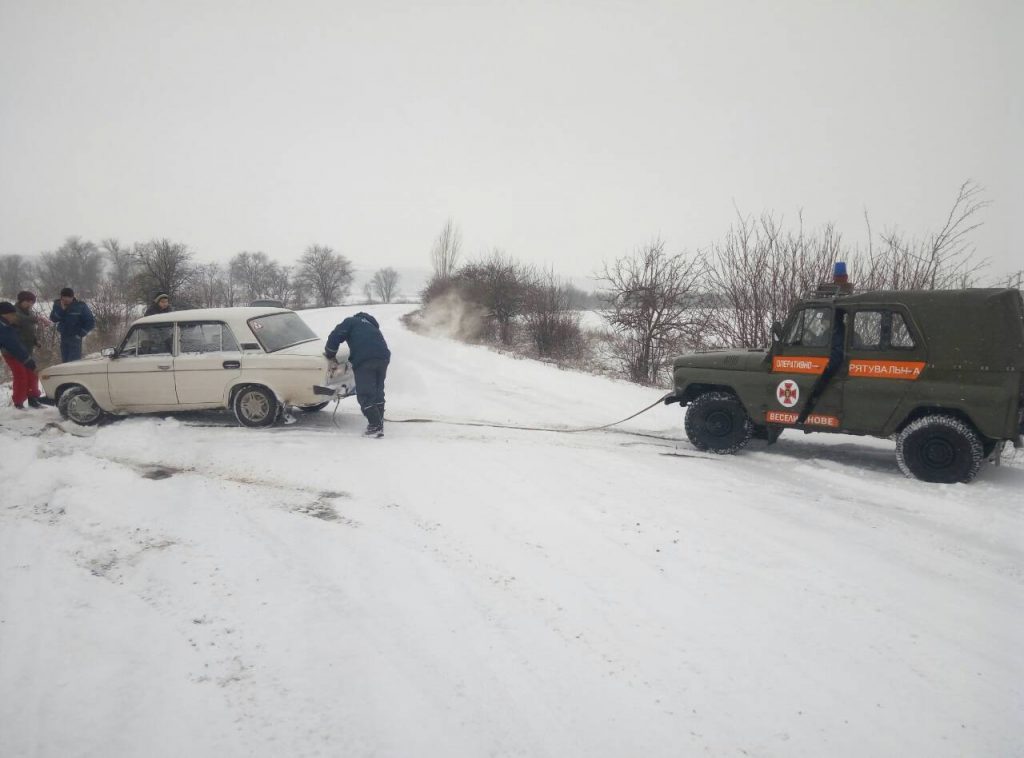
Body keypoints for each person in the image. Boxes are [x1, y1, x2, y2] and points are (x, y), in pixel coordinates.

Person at [325, 312, 391, 437]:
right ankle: (378, 422)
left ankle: (375, 426)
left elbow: (335, 335)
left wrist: (330, 353)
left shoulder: (351, 321)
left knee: (365, 394)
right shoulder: (371, 325)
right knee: (377, 391)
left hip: (365, 360)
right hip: (383, 358)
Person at [5, 291, 45, 407]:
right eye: (27, 301)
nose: (30, 304)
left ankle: (33, 398)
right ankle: (18, 402)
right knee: (21, 376)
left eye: (32, 302)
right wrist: (37, 318)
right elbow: (22, 319)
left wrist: (35, 340)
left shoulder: (28, 313)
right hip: (13, 351)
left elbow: (28, 330)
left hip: (27, 350)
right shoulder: (12, 312)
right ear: (20, 301)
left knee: (32, 374)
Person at [49, 287, 95, 363]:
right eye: (64, 297)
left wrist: (80, 334)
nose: (67, 299)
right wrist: (62, 310)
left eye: (69, 297)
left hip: (75, 337)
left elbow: (90, 322)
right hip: (64, 337)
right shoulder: (57, 305)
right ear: (61, 297)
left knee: (74, 362)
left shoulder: (80, 306)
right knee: (65, 362)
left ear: (73, 297)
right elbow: (53, 319)